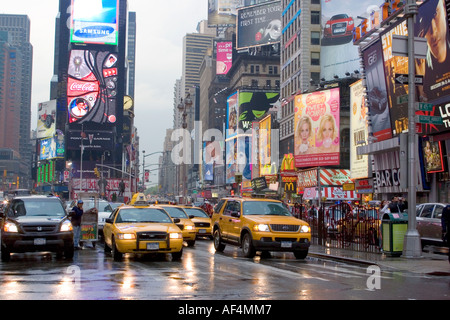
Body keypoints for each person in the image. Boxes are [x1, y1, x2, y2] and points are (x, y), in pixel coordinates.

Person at [415, 0, 450, 102]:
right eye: (425, 23)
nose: (433, 31)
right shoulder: (419, 63)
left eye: (435, 14)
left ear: (443, 7)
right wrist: (421, 91)